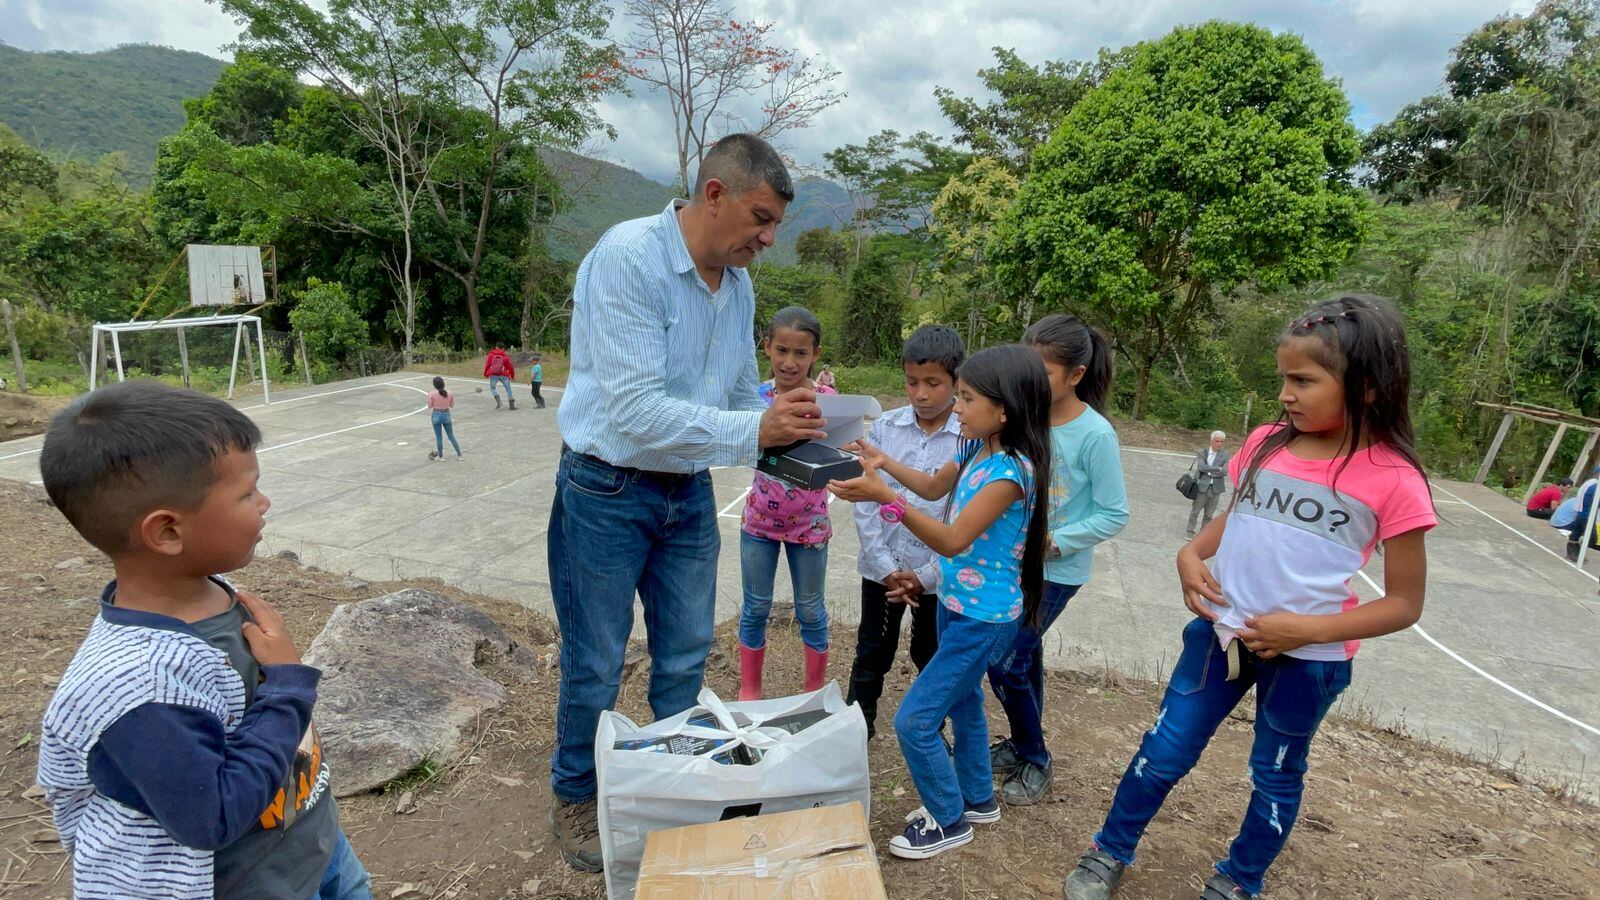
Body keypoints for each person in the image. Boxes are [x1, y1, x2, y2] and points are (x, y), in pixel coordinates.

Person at [1062, 294, 1436, 900]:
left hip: (1308, 663)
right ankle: (1110, 848)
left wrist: (1304, 632)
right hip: (1220, 636)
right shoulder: (1266, 443)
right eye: (1283, 378)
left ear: (1367, 387)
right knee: (1165, 748)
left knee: (1275, 774)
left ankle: (1240, 879)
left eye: (1303, 381)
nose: (1285, 394)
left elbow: (1404, 605)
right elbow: (1236, 518)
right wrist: (1190, 555)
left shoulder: (1394, 479)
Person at [547, 133, 824, 872]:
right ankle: (575, 790)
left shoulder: (738, 287)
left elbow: (734, 395)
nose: (768, 239)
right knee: (597, 657)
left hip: (687, 493)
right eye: (761, 219)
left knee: (685, 652)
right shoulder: (629, 258)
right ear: (714, 194)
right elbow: (636, 412)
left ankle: (673, 776)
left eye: (775, 225)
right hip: (606, 488)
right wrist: (756, 429)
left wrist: (800, 438)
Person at [34, 380, 370, 900]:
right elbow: (212, 815)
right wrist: (287, 688)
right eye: (247, 493)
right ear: (167, 531)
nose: (265, 503)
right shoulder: (138, 687)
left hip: (311, 842)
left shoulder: (213, 592)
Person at [830, 344, 1053, 861]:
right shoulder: (977, 447)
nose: (957, 407)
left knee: (914, 721)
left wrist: (886, 497)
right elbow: (932, 487)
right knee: (965, 703)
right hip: (956, 605)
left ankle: (949, 819)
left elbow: (952, 540)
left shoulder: (1010, 474)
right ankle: (977, 799)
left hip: (983, 618)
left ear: (1004, 410)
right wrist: (883, 463)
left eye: (967, 398)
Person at [988, 314, 1129, 805]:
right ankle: (1022, 744)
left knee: (1003, 661)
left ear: (1076, 374)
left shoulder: (1095, 435)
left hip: (1055, 571)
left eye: (1043, 372)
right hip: (1011, 564)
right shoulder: (1023, 418)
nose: (1030, 380)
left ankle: (1036, 757)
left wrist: (1054, 541)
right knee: (1023, 658)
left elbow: (1115, 513)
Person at [847, 325, 966, 738]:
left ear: (956, 380)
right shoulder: (886, 428)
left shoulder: (968, 438)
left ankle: (930, 730)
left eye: (933, 383)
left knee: (929, 653)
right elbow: (866, 500)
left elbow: (962, 516)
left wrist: (927, 575)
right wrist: (885, 568)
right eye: (912, 382)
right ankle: (856, 726)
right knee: (872, 649)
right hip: (882, 571)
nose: (921, 394)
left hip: (937, 574)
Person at [738, 306, 836, 699]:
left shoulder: (829, 402)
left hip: (811, 526)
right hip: (758, 524)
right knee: (755, 607)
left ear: (816, 354)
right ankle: (749, 690)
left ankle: (813, 693)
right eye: (781, 350)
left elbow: (842, 453)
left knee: (811, 609)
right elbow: (740, 444)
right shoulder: (755, 398)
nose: (789, 362)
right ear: (767, 347)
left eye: (800, 352)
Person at [1186, 430, 1231, 538]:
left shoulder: (1225, 455)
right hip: (1202, 486)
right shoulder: (1202, 452)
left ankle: (1202, 534)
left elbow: (1224, 472)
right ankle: (1189, 531)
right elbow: (1201, 467)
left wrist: (1209, 471)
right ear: (1211, 441)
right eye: (1217, 441)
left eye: (1222, 442)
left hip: (1216, 488)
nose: (1219, 444)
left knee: (1209, 514)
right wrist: (1217, 469)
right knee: (1195, 511)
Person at [427, 376, 462, 460]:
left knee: (439, 437)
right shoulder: (450, 393)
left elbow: (429, 406)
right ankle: (459, 455)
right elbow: (452, 405)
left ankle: (441, 456)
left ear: (434, 385)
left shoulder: (431, 394)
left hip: (436, 415)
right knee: (451, 436)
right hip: (446, 414)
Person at [484, 343, 516, 410]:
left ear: (496, 347)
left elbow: (488, 364)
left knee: (493, 388)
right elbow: (510, 367)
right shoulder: (505, 356)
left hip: (493, 374)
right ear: (503, 348)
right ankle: (511, 405)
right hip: (503, 374)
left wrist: (486, 373)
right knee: (508, 388)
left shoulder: (491, 355)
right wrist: (512, 375)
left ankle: (498, 401)